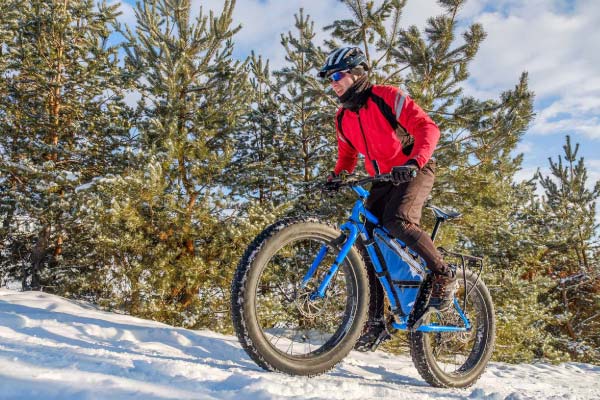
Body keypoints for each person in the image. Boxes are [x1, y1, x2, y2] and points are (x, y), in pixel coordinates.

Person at [319, 46, 457, 349]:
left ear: (357, 73)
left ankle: (443, 274)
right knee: (368, 241)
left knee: (398, 221)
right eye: (329, 79)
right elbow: (347, 155)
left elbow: (428, 128)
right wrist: (336, 176)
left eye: (338, 75)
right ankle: (376, 321)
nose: (333, 83)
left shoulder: (386, 96)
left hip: (414, 167)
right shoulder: (343, 118)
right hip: (382, 178)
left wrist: (413, 163)